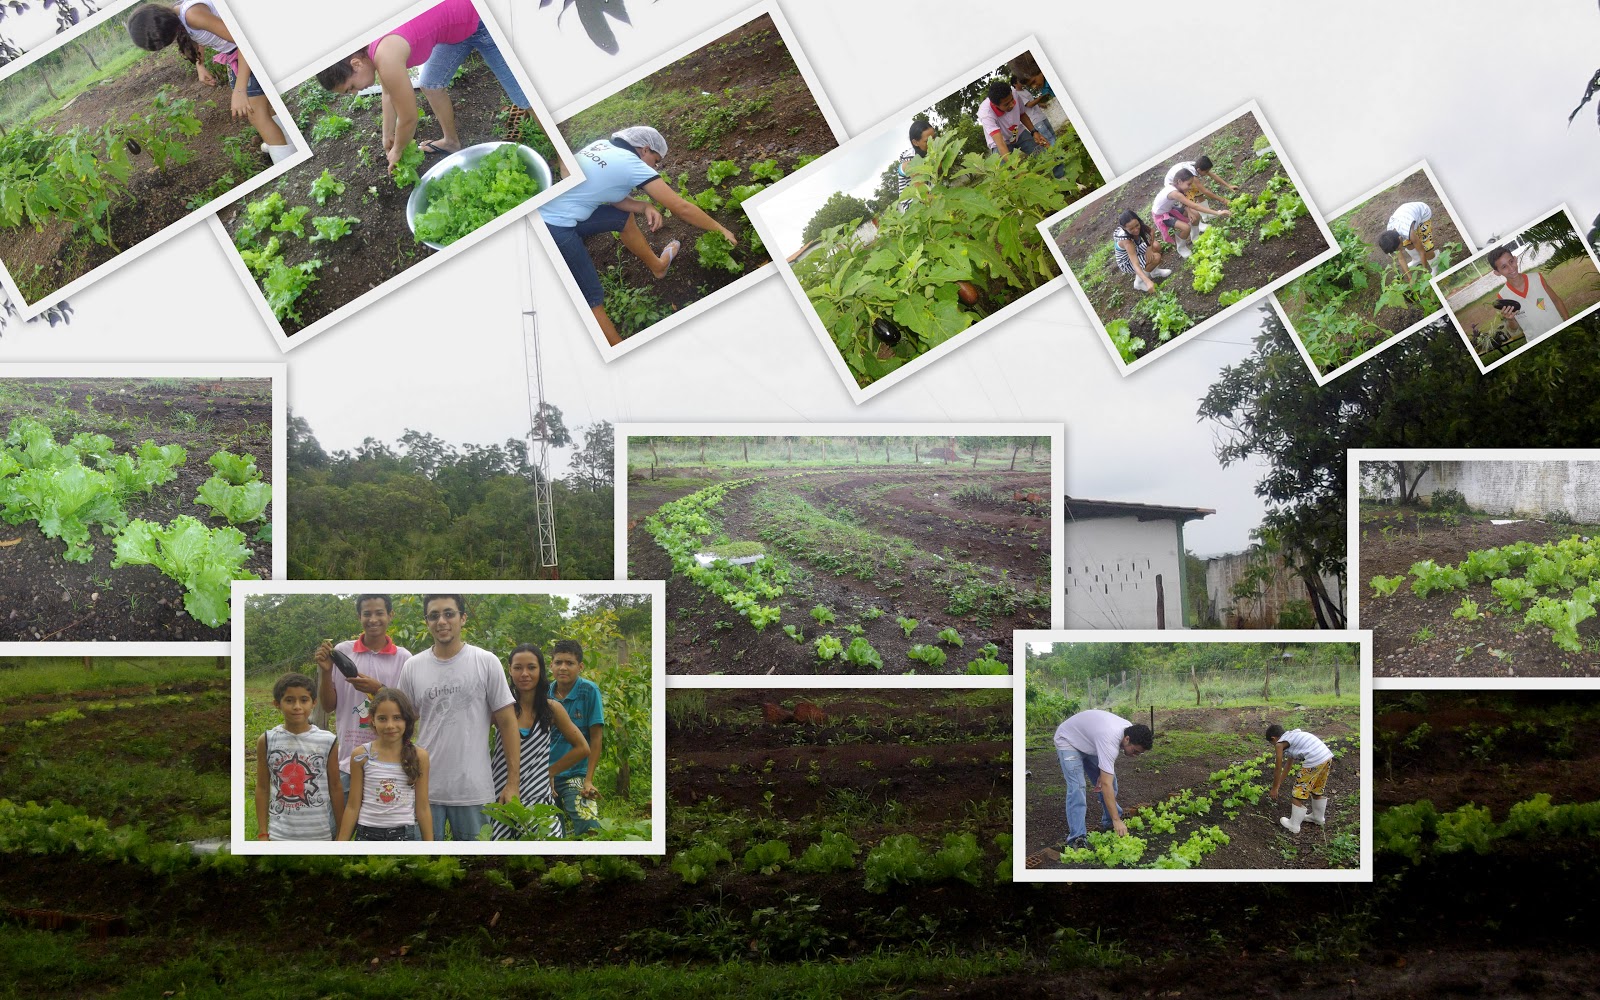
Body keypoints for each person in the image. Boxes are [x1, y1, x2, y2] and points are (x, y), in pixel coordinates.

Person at [539, 125, 738, 346]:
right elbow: (681, 207)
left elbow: (612, 196)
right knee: (592, 297)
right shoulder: (631, 164)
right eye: (657, 160)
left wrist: (643, 207)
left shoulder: (601, 145)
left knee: (622, 218)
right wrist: (721, 229)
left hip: (552, 212)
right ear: (645, 150)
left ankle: (658, 266)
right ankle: (619, 353)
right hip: (555, 228)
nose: (657, 166)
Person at [314, 0, 531, 176]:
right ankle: (451, 142)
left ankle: (563, 156)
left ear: (356, 64)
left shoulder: (386, 56)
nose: (355, 93)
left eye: (350, 87)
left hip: (478, 19)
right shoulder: (372, 51)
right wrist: (386, 134)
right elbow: (388, 92)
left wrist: (397, 150)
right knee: (431, 84)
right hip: (454, 30)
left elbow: (409, 118)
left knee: (525, 98)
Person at [396, 595, 521, 841]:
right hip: (424, 789)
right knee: (426, 865)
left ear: (462, 618)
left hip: (473, 789)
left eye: (449, 613)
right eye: (434, 615)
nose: (441, 621)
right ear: (427, 622)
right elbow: (401, 725)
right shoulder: (412, 666)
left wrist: (513, 783)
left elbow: (507, 723)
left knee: (477, 868)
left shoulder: (485, 662)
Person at [126, 3, 291, 162]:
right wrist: (200, 65)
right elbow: (197, 34)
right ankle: (283, 141)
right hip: (236, 53)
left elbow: (243, 40)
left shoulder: (193, 15)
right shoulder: (179, 15)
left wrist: (240, 91)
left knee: (256, 115)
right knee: (261, 108)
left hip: (245, 51)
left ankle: (286, 158)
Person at [312, 594, 411, 807]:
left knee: (381, 830)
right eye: (367, 614)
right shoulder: (342, 652)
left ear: (390, 615)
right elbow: (329, 706)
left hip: (389, 761)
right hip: (348, 761)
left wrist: (380, 690)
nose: (373, 619)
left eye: (379, 613)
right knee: (338, 829)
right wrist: (326, 672)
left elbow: (408, 712)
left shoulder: (404, 659)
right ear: (359, 616)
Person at [490, 644, 590, 841]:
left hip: (539, 799)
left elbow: (582, 748)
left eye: (531, 667)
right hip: (502, 796)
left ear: (541, 670)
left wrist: (550, 771)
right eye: (518, 667)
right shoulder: (500, 709)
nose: (524, 674)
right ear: (509, 670)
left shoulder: (552, 709)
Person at [337, 687, 433, 842]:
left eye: (397, 718)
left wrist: (431, 850)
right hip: (367, 835)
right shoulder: (361, 755)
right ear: (372, 720)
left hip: (405, 836)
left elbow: (422, 808)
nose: (390, 725)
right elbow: (353, 806)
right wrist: (341, 845)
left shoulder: (419, 756)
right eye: (382, 718)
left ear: (407, 720)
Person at [255, 672, 342, 841]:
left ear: (314, 703)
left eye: (303, 700)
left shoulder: (328, 741)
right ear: (277, 704)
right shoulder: (267, 740)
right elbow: (262, 788)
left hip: (320, 836)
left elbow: (335, 787)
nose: (297, 706)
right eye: (289, 700)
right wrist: (263, 833)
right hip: (280, 836)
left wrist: (340, 835)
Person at [1052, 710, 1153, 849]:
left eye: (1139, 753)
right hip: (1069, 740)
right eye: (1135, 751)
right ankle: (1077, 838)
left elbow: (1107, 777)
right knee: (1078, 787)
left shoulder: (1130, 730)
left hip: (1091, 742)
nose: (1135, 755)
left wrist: (1103, 772)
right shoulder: (1110, 739)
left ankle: (1109, 822)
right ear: (1127, 739)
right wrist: (1117, 819)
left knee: (1112, 782)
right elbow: (1105, 783)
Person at [548, 638, 606, 836]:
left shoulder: (589, 691)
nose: (563, 668)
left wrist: (588, 780)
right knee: (548, 830)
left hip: (577, 773)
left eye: (569, 663)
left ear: (580, 666)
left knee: (589, 827)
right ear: (551, 665)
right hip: (547, 774)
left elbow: (596, 739)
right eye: (558, 662)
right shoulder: (545, 694)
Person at [1487, 244, 1569, 340]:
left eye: (1511, 262)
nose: (1511, 268)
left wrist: (1568, 322)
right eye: (1504, 267)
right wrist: (1511, 319)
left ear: (1515, 259)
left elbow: (1556, 301)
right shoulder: (1503, 296)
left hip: (1559, 329)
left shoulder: (1537, 277)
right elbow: (1514, 329)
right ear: (1497, 273)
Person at [1267, 723, 1334, 833]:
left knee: (1298, 791)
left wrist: (1274, 788)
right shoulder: (1292, 737)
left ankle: (1293, 825)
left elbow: (1278, 768)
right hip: (1325, 756)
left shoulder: (1279, 744)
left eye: (1271, 743)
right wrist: (1278, 785)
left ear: (1273, 739)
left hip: (1314, 760)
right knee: (1317, 788)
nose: (1274, 745)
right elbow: (1288, 766)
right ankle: (1318, 817)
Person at [1150, 168, 1230, 258]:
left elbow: (1184, 202)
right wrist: (1217, 212)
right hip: (1161, 215)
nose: (1190, 187)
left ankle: (1195, 238)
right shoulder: (1174, 193)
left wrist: (1188, 211)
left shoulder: (1177, 187)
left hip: (1169, 209)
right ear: (1179, 181)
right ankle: (1181, 247)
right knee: (1186, 228)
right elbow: (1195, 205)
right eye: (1189, 184)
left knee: (1195, 214)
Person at [976, 79, 1051, 159]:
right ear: (995, 105)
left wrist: (1034, 132)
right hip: (1000, 141)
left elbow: (1022, 115)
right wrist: (1014, 167)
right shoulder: (986, 114)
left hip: (1017, 132)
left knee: (1044, 155)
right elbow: (1000, 143)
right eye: (1006, 104)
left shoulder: (1014, 93)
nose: (1012, 104)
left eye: (1012, 99)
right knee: (1006, 169)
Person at [1111, 210, 1173, 293]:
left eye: (1137, 225)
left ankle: (1154, 272)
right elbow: (1135, 264)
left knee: (1156, 246)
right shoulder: (1127, 241)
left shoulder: (1137, 224)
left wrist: (1149, 249)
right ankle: (1139, 283)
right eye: (1131, 229)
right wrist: (1147, 281)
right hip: (1127, 262)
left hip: (1136, 250)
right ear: (1124, 228)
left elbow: (1151, 232)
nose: (1136, 230)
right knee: (1156, 257)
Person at [1377, 202, 1437, 276]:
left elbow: (1422, 252)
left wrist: (1425, 272)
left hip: (1423, 213)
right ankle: (1417, 259)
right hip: (1407, 216)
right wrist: (1409, 278)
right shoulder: (1390, 235)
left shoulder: (1409, 232)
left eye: (1398, 248)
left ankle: (1435, 267)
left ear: (1399, 238)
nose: (1399, 251)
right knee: (1407, 244)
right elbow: (1401, 259)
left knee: (1426, 248)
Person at [1162, 155, 1237, 210]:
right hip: (1173, 183)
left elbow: (1213, 175)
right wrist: (1223, 200)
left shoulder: (1197, 165)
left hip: (1182, 178)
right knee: (1189, 200)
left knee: (1197, 192)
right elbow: (1205, 191)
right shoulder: (1193, 176)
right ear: (1199, 170)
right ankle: (1196, 221)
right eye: (1206, 171)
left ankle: (1206, 216)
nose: (1207, 173)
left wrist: (1228, 186)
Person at [894, 118, 937, 210]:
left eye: (934, 137)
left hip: (927, 202)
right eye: (927, 141)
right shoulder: (911, 162)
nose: (932, 142)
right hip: (912, 209)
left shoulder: (928, 154)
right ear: (915, 142)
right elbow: (924, 196)